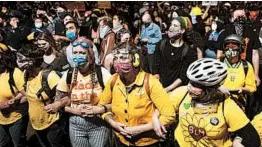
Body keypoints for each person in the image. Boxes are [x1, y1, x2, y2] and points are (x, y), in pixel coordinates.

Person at [153, 58, 260, 147]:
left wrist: (237, 141)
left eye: (196, 85)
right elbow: (163, 105)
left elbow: (253, 139)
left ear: (210, 89)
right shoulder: (182, 93)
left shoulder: (226, 106)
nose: (189, 87)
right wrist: (155, 117)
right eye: (190, 82)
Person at [98, 42, 175, 146]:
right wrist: (113, 123)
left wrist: (140, 129)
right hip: (121, 140)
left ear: (136, 60)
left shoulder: (150, 82)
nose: (117, 62)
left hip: (147, 142)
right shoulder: (113, 80)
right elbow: (102, 106)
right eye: (115, 58)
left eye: (123, 58)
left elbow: (169, 115)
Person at [44, 37, 111, 147]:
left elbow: (116, 101)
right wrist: (75, 111)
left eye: (82, 53)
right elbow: (61, 101)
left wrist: (98, 109)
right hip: (76, 125)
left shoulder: (102, 73)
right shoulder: (69, 74)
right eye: (75, 53)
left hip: (99, 124)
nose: (77, 56)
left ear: (90, 54)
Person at [19, 44, 65, 147]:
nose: (19, 64)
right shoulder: (25, 75)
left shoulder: (49, 76)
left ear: (32, 61)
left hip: (53, 124)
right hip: (36, 124)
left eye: (22, 60)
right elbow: (28, 96)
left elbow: (65, 96)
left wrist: (57, 105)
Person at [217, 9, 261, 86]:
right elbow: (219, 53)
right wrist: (217, 71)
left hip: (246, 69)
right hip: (228, 69)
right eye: (238, 16)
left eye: (243, 16)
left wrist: (256, 74)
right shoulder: (226, 32)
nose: (240, 18)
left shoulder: (251, 32)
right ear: (233, 18)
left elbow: (255, 54)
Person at [153, 17, 197, 93]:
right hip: (159, 87)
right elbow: (155, 67)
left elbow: (183, 76)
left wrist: (167, 89)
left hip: (176, 91)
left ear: (182, 30)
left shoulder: (188, 51)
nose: (171, 28)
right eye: (171, 25)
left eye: (175, 26)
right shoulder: (162, 44)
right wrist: (158, 86)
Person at [0, 43, 28, 147]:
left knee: (18, 143)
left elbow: (28, 95)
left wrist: (12, 103)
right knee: (3, 143)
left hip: (16, 117)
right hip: (0, 119)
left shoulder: (14, 73)